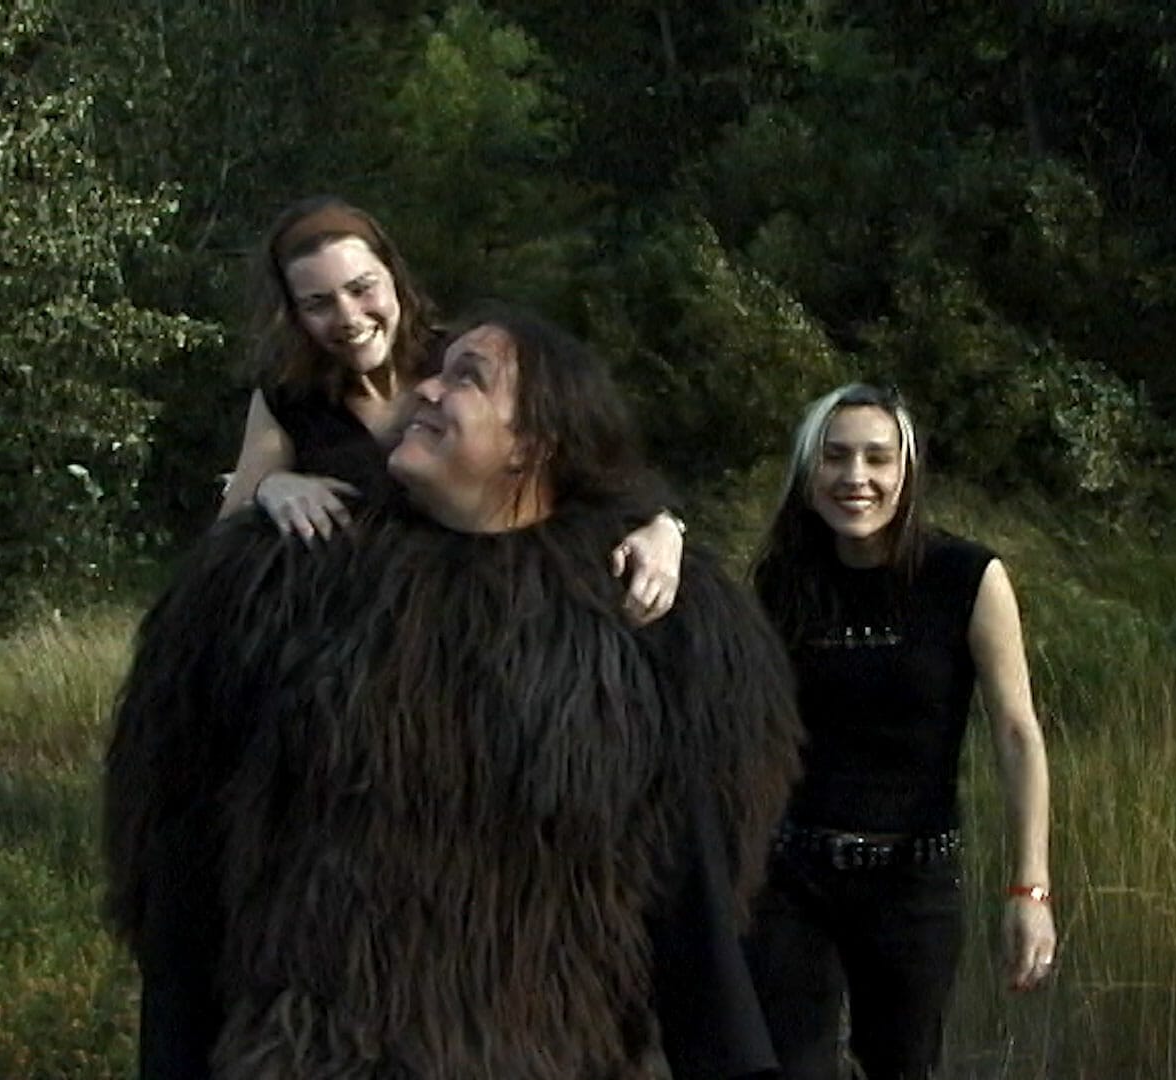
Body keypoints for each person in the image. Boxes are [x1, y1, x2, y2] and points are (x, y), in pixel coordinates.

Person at [103, 305, 802, 1079]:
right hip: (314, 1050)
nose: (425, 390)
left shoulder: (644, 604)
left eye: (467, 377)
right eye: (435, 372)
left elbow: (692, 880)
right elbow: (179, 847)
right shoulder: (283, 578)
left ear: (533, 442)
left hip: (553, 1053)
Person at [745, 384, 1056, 1080]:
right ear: (808, 472)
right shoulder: (780, 581)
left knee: (903, 1063)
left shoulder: (966, 577)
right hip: (792, 879)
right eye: (835, 457)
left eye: (877, 459)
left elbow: (1017, 734)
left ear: (907, 473)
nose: (855, 477)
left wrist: (1030, 891)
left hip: (913, 884)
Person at [217, 195, 685, 624]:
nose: (348, 317)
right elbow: (226, 536)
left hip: (498, 606)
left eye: (361, 288)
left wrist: (665, 527)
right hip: (370, 622)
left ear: (394, 277)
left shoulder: (465, 362)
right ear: (294, 315)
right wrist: (270, 487)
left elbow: (585, 460)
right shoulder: (290, 397)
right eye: (318, 304)